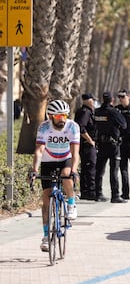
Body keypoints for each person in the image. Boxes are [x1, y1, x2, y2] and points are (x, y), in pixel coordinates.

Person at [30, 100, 80, 252]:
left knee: (66, 174)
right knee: (46, 200)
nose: (62, 119)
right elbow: (39, 150)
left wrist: (74, 170)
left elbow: (75, 152)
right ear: (51, 116)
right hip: (48, 160)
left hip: (65, 158)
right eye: (58, 116)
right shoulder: (44, 127)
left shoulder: (72, 126)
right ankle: (46, 237)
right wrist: (34, 169)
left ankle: (71, 204)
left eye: (64, 115)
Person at [94, 91, 127, 203]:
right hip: (113, 145)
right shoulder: (113, 111)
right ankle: (115, 195)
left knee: (99, 170)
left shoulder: (97, 112)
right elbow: (124, 125)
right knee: (114, 170)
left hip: (101, 144)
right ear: (112, 100)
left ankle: (98, 193)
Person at [74, 93, 98, 201]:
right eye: (92, 100)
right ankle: (90, 192)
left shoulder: (86, 111)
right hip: (87, 144)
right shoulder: (85, 112)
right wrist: (90, 141)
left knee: (86, 167)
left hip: (85, 143)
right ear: (87, 100)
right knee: (90, 167)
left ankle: (85, 191)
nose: (93, 102)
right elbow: (81, 128)